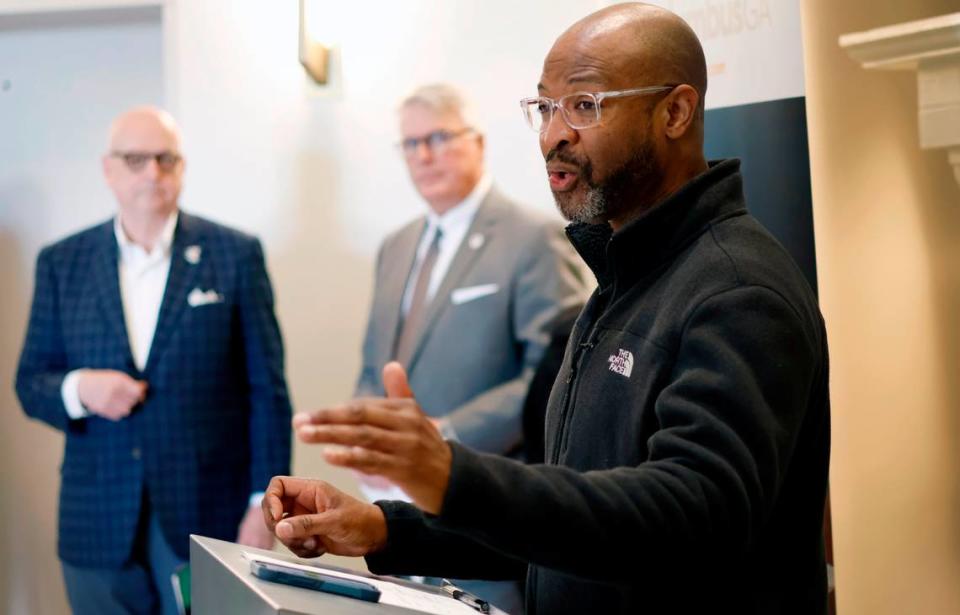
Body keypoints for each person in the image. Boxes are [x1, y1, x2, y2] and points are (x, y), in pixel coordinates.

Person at [263, 4, 830, 614]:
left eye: (585, 104)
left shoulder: (738, 291)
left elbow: (690, 516)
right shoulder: (624, 276)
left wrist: (456, 479)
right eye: (544, 106)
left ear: (675, 111)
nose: (553, 133)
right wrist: (384, 528)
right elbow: (575, 522)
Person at [15, 106, 292, 615]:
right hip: (95, 520)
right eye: (136, 159)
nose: (152, 172)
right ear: (109, 169)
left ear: (182, 167)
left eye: (166, 159)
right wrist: (80, 390)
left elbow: (267, 392)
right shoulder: (62, 262)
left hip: (211, 514)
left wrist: (264, 506)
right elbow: (29, 383)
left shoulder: (235, 254)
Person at [352, 82, 586, 612]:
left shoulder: (534, 237)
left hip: (486, 520)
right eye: (411, 144)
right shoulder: (396, 246)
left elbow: (551, 380)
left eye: (438, 137)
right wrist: (369, 442)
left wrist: (440, 436)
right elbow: (374, 364)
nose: (425, 155)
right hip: (399, 521)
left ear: (478, 142)